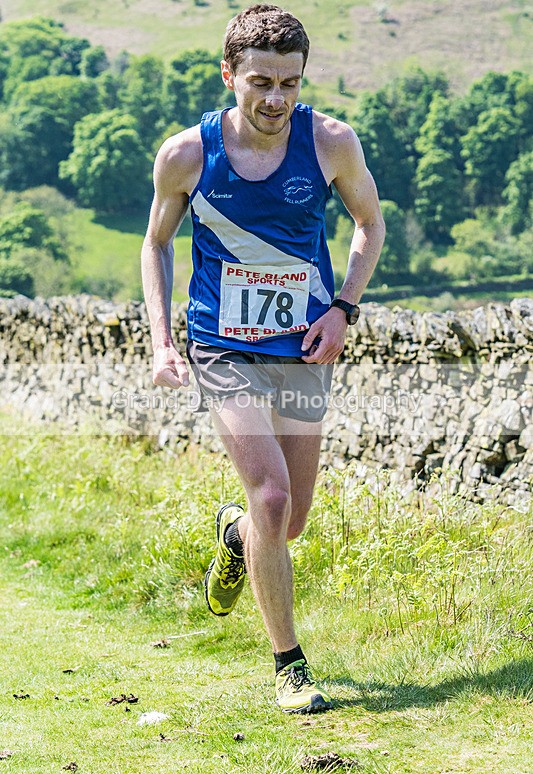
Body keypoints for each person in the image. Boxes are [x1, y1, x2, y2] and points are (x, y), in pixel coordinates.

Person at [141, 3, 385, 714]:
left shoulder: (332, 143)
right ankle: (290, 667)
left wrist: (343, 307)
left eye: (289, 83)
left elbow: (369, 224)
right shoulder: (186, 154)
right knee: (271, 497)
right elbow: (155, 244)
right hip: (221, 344)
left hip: (303, 346)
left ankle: (234, 533)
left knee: (288, 520)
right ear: (229, 75)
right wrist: (162, 339)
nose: (275, 99)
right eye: (260, 83)